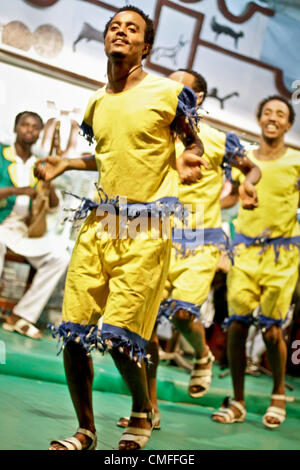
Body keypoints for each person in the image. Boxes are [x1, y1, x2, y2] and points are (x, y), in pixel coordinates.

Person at [34, 7, 207, 451]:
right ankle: (86, 430)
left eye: (132, 28)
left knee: (118, 335)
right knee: (72, 331)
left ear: (145, 46)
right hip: (100, 222)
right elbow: (112, 154)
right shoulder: (97, 100)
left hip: (148, 227)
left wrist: (189, 154)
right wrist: (67, 161)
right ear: (106, 39)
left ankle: (143, 409)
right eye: (115, 26)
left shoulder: (169, 93)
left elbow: (193, 141)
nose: (120, 31)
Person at [117, 68, 261, 431]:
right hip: (157, 238)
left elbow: (251, 168)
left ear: (196, 98)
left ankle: (202, 354)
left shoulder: (216, 139)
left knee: (183, 314)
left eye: (179, 87)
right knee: (144, 327)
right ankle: (149, 407)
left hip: (200, 242)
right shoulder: (157, 134)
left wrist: (245, 188)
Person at [212, 95, 299, 428]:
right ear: (259, 119)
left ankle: (278, 393)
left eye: (280, 114)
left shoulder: (296, 160)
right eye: (267, 112)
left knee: (272, 328)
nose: (273, 118)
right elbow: (230, 198)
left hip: (283, 253)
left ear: (288, 124)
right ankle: (238, 400)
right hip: (244, 251)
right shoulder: (243, 160)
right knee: (236, 324)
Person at [0, 111, 70, 339]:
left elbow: (53, 205)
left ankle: (21, 316)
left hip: (25, 231)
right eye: (25, 125)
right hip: (2, 226)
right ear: (16, 128)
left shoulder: (39, 163)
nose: (29, 130)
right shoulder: (2, 155)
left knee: (60, 256)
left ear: (39, 133)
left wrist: (49, 186)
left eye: (34, 127)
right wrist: (18, 191)